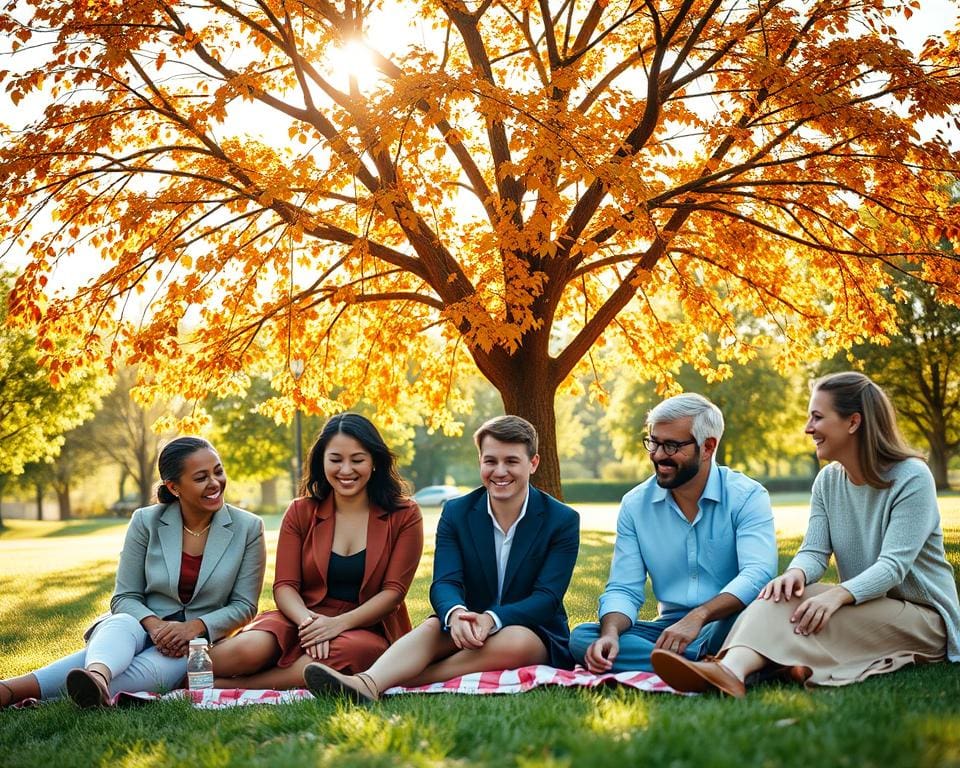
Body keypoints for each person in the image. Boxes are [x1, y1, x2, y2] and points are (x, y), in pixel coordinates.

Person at [652, 372, 960, 697]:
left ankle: (769, 665)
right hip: (867, 602)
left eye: (817, 417)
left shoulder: (911, 476)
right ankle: (730, 670)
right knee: (779, 597)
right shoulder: (828, 481)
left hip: (923, 617)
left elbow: (893, 566)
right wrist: (796, 573)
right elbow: (814, 552)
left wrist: (836, 595)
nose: (807, 428)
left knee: (818, 617)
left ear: (853, 422)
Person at [302, 414, 580, 702]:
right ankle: (368, 683)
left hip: (531, 631)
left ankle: (412, 678)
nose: (500, 471)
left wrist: (492, 619)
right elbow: (445, 582)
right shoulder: (457, 512)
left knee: (517, 640)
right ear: (480, 462)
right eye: (490, 461)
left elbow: (546, 598)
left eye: (511, 461)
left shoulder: (561, 520)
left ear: (533, 463)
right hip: (465, 623)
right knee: (434, 626)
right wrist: (456, 613)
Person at [0, 437, 266, 709]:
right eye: (201, 477)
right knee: (120, 625)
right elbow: (124, 596)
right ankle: (96, 677)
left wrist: (192, 629)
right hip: (138, 625)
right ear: (174, 488)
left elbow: (244, 606)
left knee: (152, 672)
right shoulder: (145, 521)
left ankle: (15, 691)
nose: (214, 483)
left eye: (218, 471)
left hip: (194, 643)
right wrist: (156, 626)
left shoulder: (248, 528)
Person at [210, 413, 423, 689]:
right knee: (248, 649)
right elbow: (285, 585)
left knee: (338, 656)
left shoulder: (404, 515)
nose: (346, 470)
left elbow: (392, 594)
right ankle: (175, 671)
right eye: (336, 460)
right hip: (300, 615)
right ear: (322, 461)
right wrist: (310, 623)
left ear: (374, 463)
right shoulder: (301, 511)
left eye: (357, 460)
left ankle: (232, 687)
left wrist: (337, 625)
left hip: (367, 626)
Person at [569, 393, 777, 673]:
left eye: (670, 446)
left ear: (707, 447)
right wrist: (610, 635)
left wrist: (700, 616)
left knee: (756, 621)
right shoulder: (635, 504)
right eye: (653, 443)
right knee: (584, 638)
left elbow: (758, 574)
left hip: (728, 621)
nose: (657, 455)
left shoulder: (747, 496)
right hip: (669, 629)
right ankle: (708, 666)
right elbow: (623, 588)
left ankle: (697, 663)